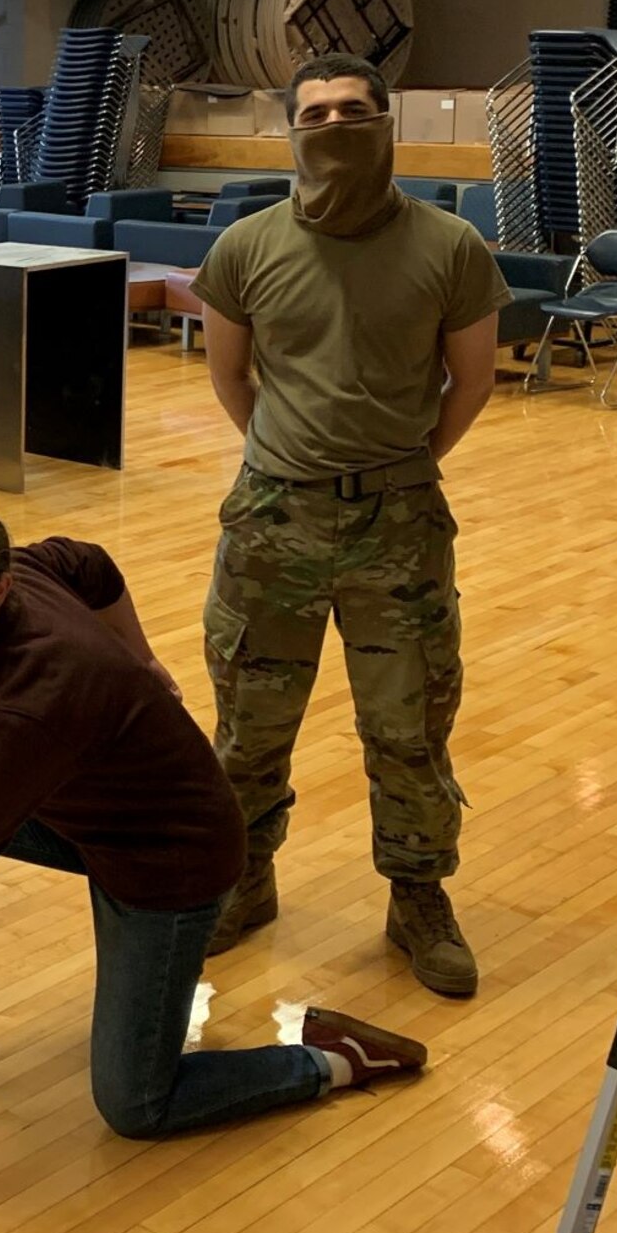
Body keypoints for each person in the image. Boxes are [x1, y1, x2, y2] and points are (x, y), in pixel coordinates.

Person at [0, 501, 428, 1138]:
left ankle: (332, 1059)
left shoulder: (21, 709)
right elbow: (90, 564)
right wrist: (141, 655)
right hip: (91, 804)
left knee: (137, 1105)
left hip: (170, 862)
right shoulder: (27, 577)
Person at [191, 53, 509, 996]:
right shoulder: (246, 246)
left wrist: (400, 466)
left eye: (354, 110)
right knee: (248, 724)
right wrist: (293, 460)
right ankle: (245, 882)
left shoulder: (450, 246)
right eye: (316, 112)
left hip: (399, 524)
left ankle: (417, 895)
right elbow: (230, 378)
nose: (335, 125)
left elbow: (474, 381)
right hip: (270, 521)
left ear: (387, 123)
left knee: (409, 724)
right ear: (292, 128)